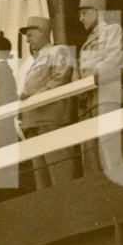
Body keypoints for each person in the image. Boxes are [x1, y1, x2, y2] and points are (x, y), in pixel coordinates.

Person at [18, 16, 76, 189]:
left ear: (42, 32)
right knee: (42, 182)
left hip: (51, 119)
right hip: (33, 123)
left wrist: (36, 96)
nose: (27, 40)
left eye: (30, 35)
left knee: (60, 175)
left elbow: (60, 76)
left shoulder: (59, 50)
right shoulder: (35, 61)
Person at [77, 0, 123, 175]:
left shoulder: (112, 30)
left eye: (84, 13)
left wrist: (92, 76)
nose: (81, 19)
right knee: (91, 155)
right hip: (89, 100)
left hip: (106, 94)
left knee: (110, 148)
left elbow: (113, 58)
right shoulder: (86, 41)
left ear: (98, 12)